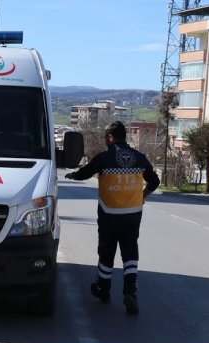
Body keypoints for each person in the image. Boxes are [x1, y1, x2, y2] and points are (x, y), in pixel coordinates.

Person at [64, 121, 160, 315]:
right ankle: (130, 293)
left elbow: (85, 174)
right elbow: (155, 181)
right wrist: (142, 196)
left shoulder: (104, 158)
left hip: (109, 214)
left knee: (106, 253)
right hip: (133, 215)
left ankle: (103, 290)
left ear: (110, 138)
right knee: (130, 253)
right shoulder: (139, 157)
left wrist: (73, 175)